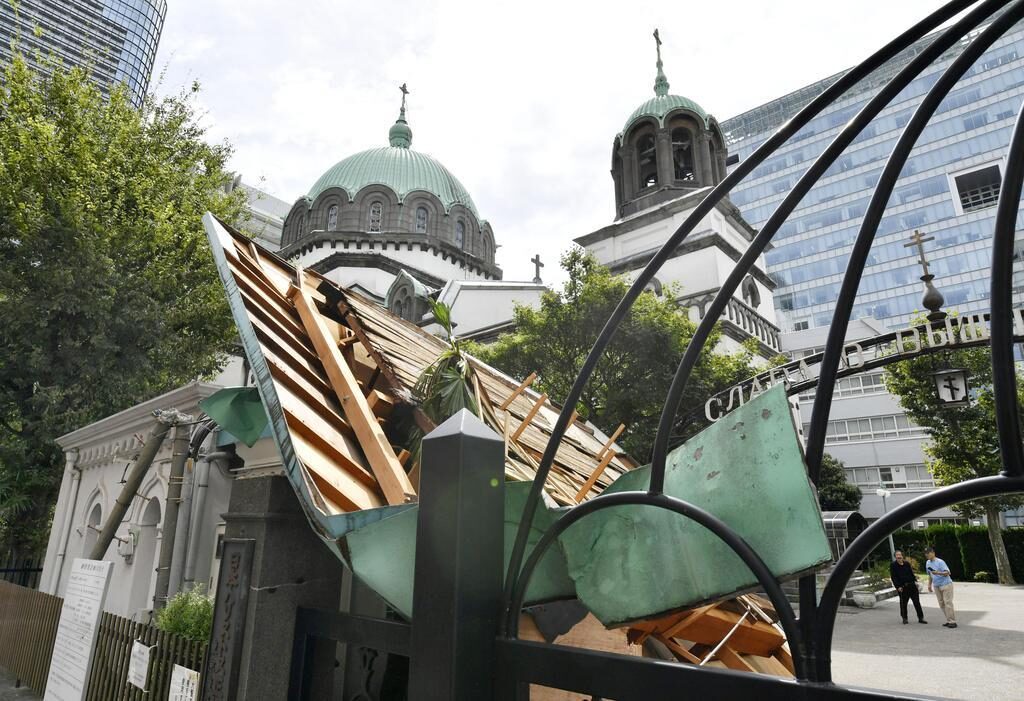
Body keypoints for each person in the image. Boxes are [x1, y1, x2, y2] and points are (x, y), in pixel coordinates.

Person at [889, 550, 927, 624]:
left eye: (900, 554)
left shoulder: (907, 563)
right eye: (897, 555)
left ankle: (921, 618)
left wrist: (915, 581)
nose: (899, 556)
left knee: (917, 602)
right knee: (903, 604)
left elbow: (911, 573)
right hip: (903, 587)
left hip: (912, 586)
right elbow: (894, 577)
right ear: (895, 557)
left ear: (902, 556)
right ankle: (904, 618)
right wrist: (898, 586)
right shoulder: (893, 565)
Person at [925, 546, 957, 628]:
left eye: (928, 553)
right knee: (942, 604)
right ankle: (948, 620)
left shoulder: (940, 562)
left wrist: (938, 573)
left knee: (948, 603)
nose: (927, 555)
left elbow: (947, 573)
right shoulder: (928, 563)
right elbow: (930, 574)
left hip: (946, 584)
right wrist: (929, 585)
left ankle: (952, 622)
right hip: (936, 586)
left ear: (933, 553)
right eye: (926, 554)